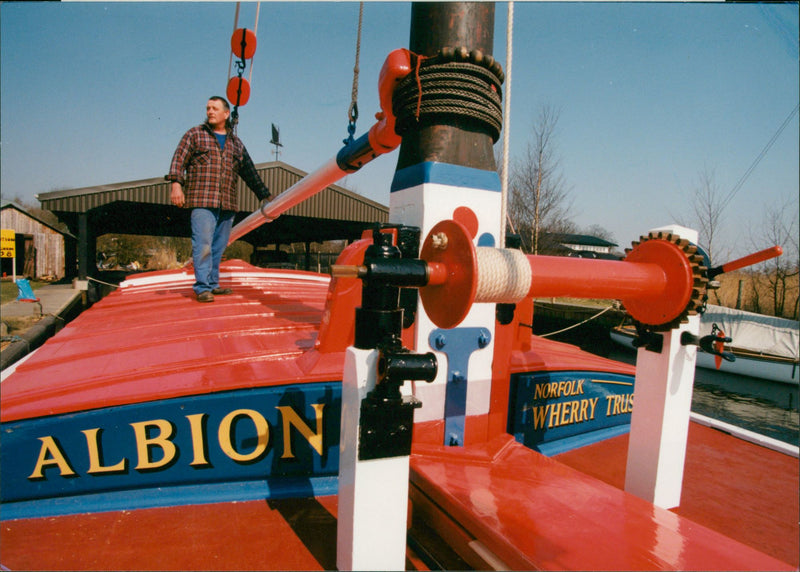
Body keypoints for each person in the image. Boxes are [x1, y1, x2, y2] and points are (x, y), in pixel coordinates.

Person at [166, 96, 271, 302]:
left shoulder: (236, 144)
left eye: (214, 108)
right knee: (203, 244)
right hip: (202, 200)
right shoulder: (195, 134)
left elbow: (250, 172)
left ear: (226, 114)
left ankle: (213, 284)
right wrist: (176, 184)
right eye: (207, 108)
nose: (210, 112)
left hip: (227, 203)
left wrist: (265, 195)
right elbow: (179, 159)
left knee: (219, 246)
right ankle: (202, 287)